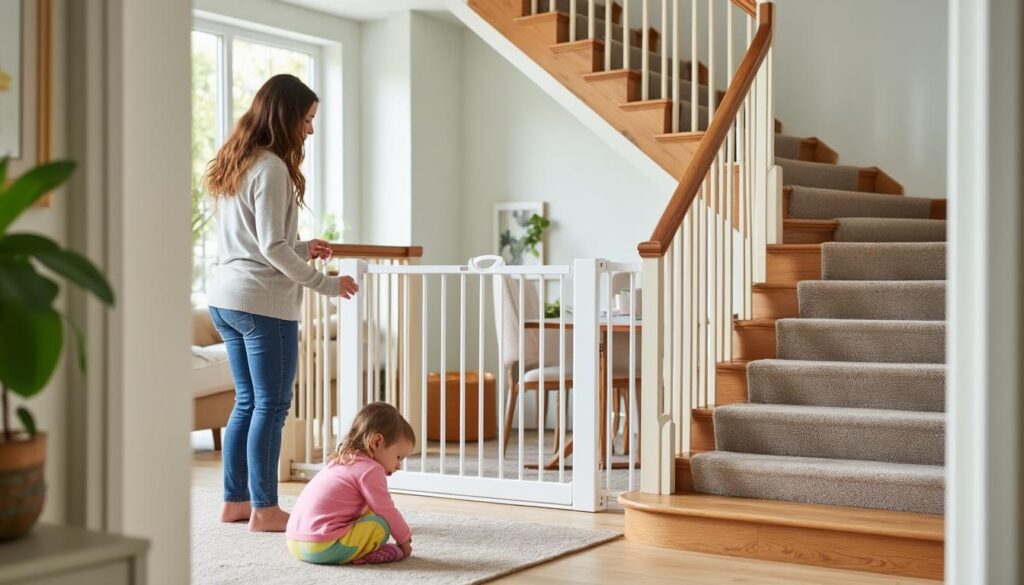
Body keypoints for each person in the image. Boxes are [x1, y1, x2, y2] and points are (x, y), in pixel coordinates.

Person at [204, 73, 359, 532]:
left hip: (225, 297)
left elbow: (258, 239)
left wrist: (301, 243)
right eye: (307, 119)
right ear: (287, 115)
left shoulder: (238, 162)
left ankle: (235, 500)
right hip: (261, 302)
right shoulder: (271, 167)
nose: (310, 130)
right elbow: (270, 248)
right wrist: (325, 284)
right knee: (271, 404)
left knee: (248, 402)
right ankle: (265, 508)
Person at [286, 402, 415, 565]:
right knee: (381, 525)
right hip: (322, 547)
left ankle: (351, 550)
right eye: (398, 457)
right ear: (377, 442)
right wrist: (404, 539)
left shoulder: (340, 461)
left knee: (367, 512)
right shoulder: (371, 469)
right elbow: (386, 510)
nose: (399, 465)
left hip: (295, 543)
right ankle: (363, 554)